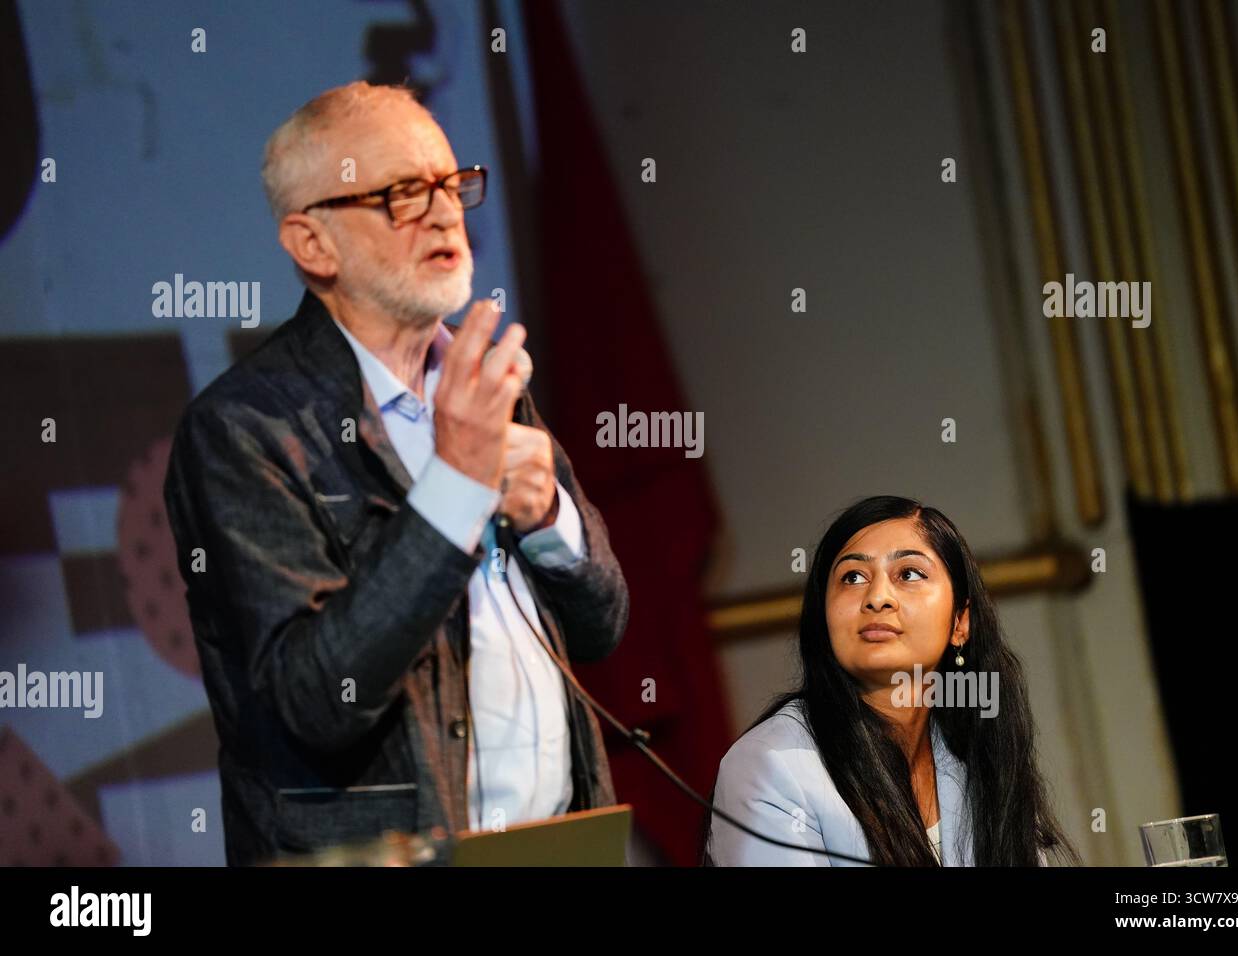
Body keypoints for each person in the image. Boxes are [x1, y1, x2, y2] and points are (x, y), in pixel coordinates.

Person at [164, 82, 629, 865]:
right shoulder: (246, 430)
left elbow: (602, 627)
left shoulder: (483, 387)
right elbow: (315, 701)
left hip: (559, 849)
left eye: (452, 185)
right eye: (403, 194)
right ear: (313, 244)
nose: (447, 212)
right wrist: (452, 486)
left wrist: (550, 515)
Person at [705, 496, 1078, 866]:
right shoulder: (771, 765)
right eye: (852, 578)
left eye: (908, 574)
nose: (878, 597)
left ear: (960, 623)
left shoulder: (976, 753)